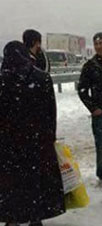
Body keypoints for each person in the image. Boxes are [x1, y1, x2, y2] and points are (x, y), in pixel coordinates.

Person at [0, 41, 65, 226]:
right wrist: (49, 137)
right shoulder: (42, 78)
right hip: (37, 142)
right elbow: (50, 113)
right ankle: (35, 217)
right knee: (36, 182)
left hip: (8, 145)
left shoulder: (3, 81)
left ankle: (12, 218)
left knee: (11, 184)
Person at [78, 32, 102, 187]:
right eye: (96, 44)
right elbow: (82, 89)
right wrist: (93, 107)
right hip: (100, 112)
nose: (99, 47)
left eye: (101, 43)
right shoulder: (90, 66)